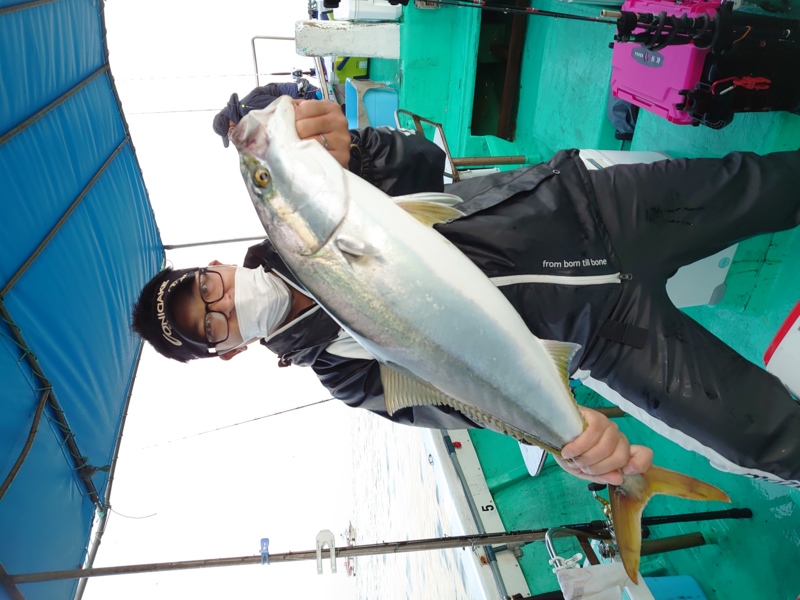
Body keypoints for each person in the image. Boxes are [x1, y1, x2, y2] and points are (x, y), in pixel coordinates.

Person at [134, 99, 800, 488]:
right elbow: (466, 403)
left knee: (771, 185)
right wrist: (568, 442)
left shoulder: (319, 199)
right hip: (599, 338)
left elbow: (426, 166)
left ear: (213, 264)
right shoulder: (343, 369)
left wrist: (355, 152)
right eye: (213, 326)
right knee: (763, 443)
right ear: (229, 353)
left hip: (587, 205)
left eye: (204, 288)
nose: (225, 304)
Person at [212, 80, 320, 147]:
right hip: (300, 107)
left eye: (230, 134)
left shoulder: (246, 108)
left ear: (231, 127)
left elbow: (283, 106)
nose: (233, 136)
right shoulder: (247, 118)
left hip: (307, 95)